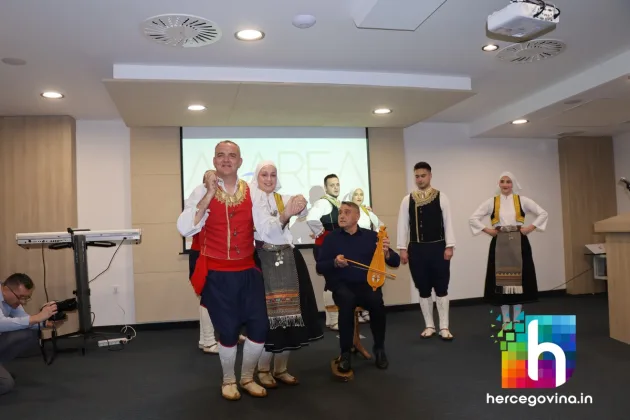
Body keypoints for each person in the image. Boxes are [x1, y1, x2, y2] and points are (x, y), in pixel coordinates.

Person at [177, 140, 268, 401]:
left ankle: (247, 377)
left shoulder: (254, 191)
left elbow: (267, 227)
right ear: (214, 161)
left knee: (260, 328)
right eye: (221, 155)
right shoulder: (200, 191)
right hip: (217, 274)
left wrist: (287, 214)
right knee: (227, 331)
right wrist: (208, 193)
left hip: (248, 271)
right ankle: (229, 379)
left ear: (240, 162)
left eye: (232, 155)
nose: (226, 159)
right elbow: (185, 228)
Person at [249, 160, 324, 388]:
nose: (269, 179)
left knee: (293, 315)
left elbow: (302, 211)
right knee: (270, 318)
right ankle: (263, 370)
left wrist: (300, 203)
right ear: (256, 177)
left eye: (273, 174)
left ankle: (281, 368)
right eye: (264, 175)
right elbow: (266, 230)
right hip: (264, 260)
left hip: (289, 258)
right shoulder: (251, 200)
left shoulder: (281, 198)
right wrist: (285, 215)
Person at [316, 201, 400, 373]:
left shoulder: (372, 237)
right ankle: (345, 353)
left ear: (357, 216)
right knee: (347, 301)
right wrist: (334, 262)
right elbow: (320, 267)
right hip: (341, 285)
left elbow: (395, 261)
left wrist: (386, 253)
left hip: (366, 285)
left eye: (347, 212)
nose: (341, 215)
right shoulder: (331, 238)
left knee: (377, 302)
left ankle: (379, 348)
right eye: (340, 212)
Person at [469, 171, 548, 329]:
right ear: (498, 184)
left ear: (513, 184)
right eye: (502, 181)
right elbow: (473, 218)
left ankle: (517, 319)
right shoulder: (492, 202)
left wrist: (530, 228)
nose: (505, 184)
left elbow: (543, 213)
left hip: (519, 241)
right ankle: (506, 319)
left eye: (508, 181)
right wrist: (488, 230)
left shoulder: (522, 200)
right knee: (502, 281)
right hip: (500, 242)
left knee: (519, 280)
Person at [397, 162, 456, 341]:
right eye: (417, 176)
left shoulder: (441, 197)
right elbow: (402, 225)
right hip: (416, 249)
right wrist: (402, 248)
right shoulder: (407, 199)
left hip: (438, 248)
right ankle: (429, 325)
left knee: (441, 287)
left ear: (430, 176)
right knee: (423, 288)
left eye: (423, 175)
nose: (420, 179)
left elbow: (448, 222)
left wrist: (449, 246)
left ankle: (444, 327)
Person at [1, 273, 61, 396]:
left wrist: (46, 323)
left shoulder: (12, 301)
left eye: (26, 298)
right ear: (6, 289)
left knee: (30, 333)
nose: (22, 302)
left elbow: (24, 320)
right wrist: (37, 317)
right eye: (20, 297)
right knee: (6, 384)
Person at [342, 187, 384, 323]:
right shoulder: (346, 213)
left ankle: (366, 310)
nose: (359, 197)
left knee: (369, 280)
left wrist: (376, 238)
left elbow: (380, 225)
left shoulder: (367, 211)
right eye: (356, 194)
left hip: (367, 250)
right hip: (351, 249)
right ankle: (357, 312)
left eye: (361, 194)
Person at [306, 174, 341, 330]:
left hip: (333, 248)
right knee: (332, 282)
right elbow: (311, 219)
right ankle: (333, 320)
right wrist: (321, 233)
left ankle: (330, 319)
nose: (336, 187)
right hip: (325, 249)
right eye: (332, 185)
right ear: (326, 188)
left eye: (337, 184)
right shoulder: (323, 202)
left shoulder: (337, 203)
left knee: (334, 281)